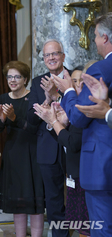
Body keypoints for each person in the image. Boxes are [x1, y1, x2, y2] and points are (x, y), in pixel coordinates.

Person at [52, 13, 112, 236]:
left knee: (102, 229)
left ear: (105, 38)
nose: (95, 40)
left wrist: (68, 90)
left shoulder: (101, 69)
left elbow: (79, 117)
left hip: (102, 162)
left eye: (96, 35)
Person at [33, 67, 90, 237]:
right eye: (74, 81)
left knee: (87, 226)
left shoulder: (86, 109)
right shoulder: (72, 107)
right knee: (79, 225)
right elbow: (63, 136)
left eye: (82, 81)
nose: (78, 85)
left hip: (85, 175)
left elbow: (73, 142)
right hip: (73, 174)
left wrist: (55, 122)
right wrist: (54, 123)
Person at [0, 61, 44, 237]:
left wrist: (14, 118)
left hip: (33, 153)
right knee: (18, 203)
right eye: (9, 77)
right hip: (13, 154)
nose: (12, 80)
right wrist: (1, 119)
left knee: (35, 203)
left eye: (17, 77)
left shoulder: (34, 96)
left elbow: (34, 127)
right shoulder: (3, 98)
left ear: (25, 79)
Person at [27, 39, 70, 237]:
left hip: (73, 146)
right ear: (43, 59)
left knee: (80, 198)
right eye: (47, 55)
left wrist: (59, 95)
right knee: (53, 202)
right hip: (48, 149)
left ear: (62, 56)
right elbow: (30, 121)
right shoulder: (37, 82)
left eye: (55, 53)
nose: (51, 58)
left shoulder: (73, 78)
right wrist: (47, 98)